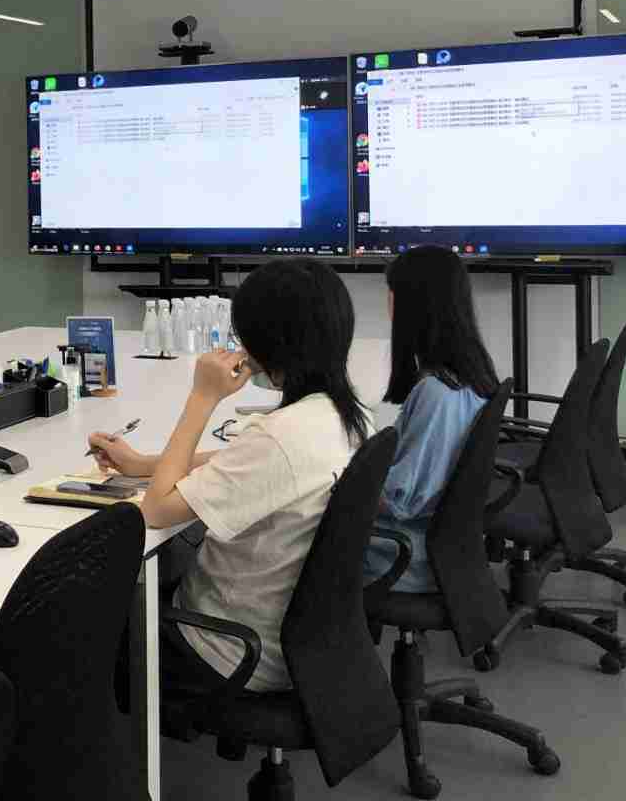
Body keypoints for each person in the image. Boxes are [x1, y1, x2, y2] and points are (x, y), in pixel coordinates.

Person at [89, 259, 370, 694]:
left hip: (226, 648)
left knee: (87, 625)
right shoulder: (346, 415)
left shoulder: (279, 436)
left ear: (266, 343)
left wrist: (203, 397)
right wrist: (144, 464)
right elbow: (243, 460)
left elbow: (156, 511)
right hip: (300, 643)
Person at [362, 245, 497, 591]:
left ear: (411, 304)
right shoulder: (469, 375)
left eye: (392, 293)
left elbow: (401, 501)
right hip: (439, 549)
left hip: (403, 556)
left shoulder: (437, 393)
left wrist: (341, 483)